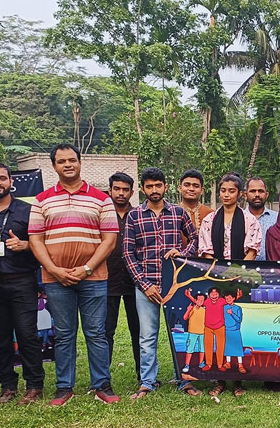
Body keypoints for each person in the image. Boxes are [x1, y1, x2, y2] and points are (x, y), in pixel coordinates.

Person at [28, 144, 119, 406]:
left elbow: (109, 239)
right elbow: (35, 240)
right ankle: (64, 387)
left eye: (72, 160)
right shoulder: (41, 200)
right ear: (54, 166)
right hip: (56, 279)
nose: (68, 165)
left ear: (80, 163)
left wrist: (87, 268)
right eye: (61, 161)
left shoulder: (101, 199)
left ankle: (102, 385)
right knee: (64, 334)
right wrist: (54, 270)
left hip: (94, 277)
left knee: (96, 333)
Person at [123, 167, 201, 398]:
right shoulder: (134, 216)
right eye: (149, 186)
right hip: (146, 286)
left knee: (180, 334)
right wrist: (144, 284)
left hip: (174, 286)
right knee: (147, 337)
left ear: (166, 187)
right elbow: (128, 253)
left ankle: (184, 380)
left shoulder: (178, 213)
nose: (154, 190)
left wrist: (182, 253)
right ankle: (148, 382)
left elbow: (195, 239)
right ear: (143, 189)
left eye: (158, 185)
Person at [0, 161, 44, 405]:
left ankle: (34, 385)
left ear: (11, 182)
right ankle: (7, 386)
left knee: (28, 335)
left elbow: (44, 244)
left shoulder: (29, 211)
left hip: (22, 281)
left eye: (2, 178)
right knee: (0, 337)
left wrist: (26, 245)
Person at [198, 172, 262, 397]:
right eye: (223, 191)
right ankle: (218, 379)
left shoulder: (249, 221)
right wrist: (218, 274)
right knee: (217, 329)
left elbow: (252, 251)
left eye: (231, 191)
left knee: (235, 331)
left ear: (240, 194)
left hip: (239, 282)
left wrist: (236, 274)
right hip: (215, 282)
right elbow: (205, 251)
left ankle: (238, 381)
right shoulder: (209, 220)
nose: (226, 195)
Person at [104, 172, 141, 385]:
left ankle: (143, 375)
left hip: (135, 281)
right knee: (106, 331)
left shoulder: (138, 215)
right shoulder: (102, 214)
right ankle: (102, 379)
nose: (121, 193)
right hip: (106, 279)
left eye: (125, 189)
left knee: (139, 331)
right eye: (117, 189)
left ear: (132, 192)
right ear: (110, 190)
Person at [178, 169, 213, 251]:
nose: (191, 189)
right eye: (187, 185)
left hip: (206, 258)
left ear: (202, 190)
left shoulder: (211, 214)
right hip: (178, 258)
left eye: (196, 186)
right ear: (180, 188)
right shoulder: (172, 213)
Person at [245, 177, 278, 261]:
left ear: (267, 195)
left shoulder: (277, 219)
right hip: (244, 268)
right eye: (253, 191)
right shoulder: (239, 219)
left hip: (272, 268)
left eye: (261, 191)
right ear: (245, 195)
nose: (257, 194)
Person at [182, 293, 206, 373]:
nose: (200, 301)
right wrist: (188, 310)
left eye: (202, 300)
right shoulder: (192, 308)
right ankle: (187, 364)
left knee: (202, 349)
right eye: (198, 300)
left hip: (203, 333)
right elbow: (185, 318)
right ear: (195, 300)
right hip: (192, 332)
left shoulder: (204, 310)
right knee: (190, 349)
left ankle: (201, 363)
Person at [222, 290, 245, 373]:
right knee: (227, 347)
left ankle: (240, 365)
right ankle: (228, 362)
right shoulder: (224, 307)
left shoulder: (238, 308)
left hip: (235, 330)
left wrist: (232, 313)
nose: (228, 299)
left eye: (229, 298)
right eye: (226, 298)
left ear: (234, 298)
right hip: (226, 330)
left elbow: (239, 319)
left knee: (237, 348)